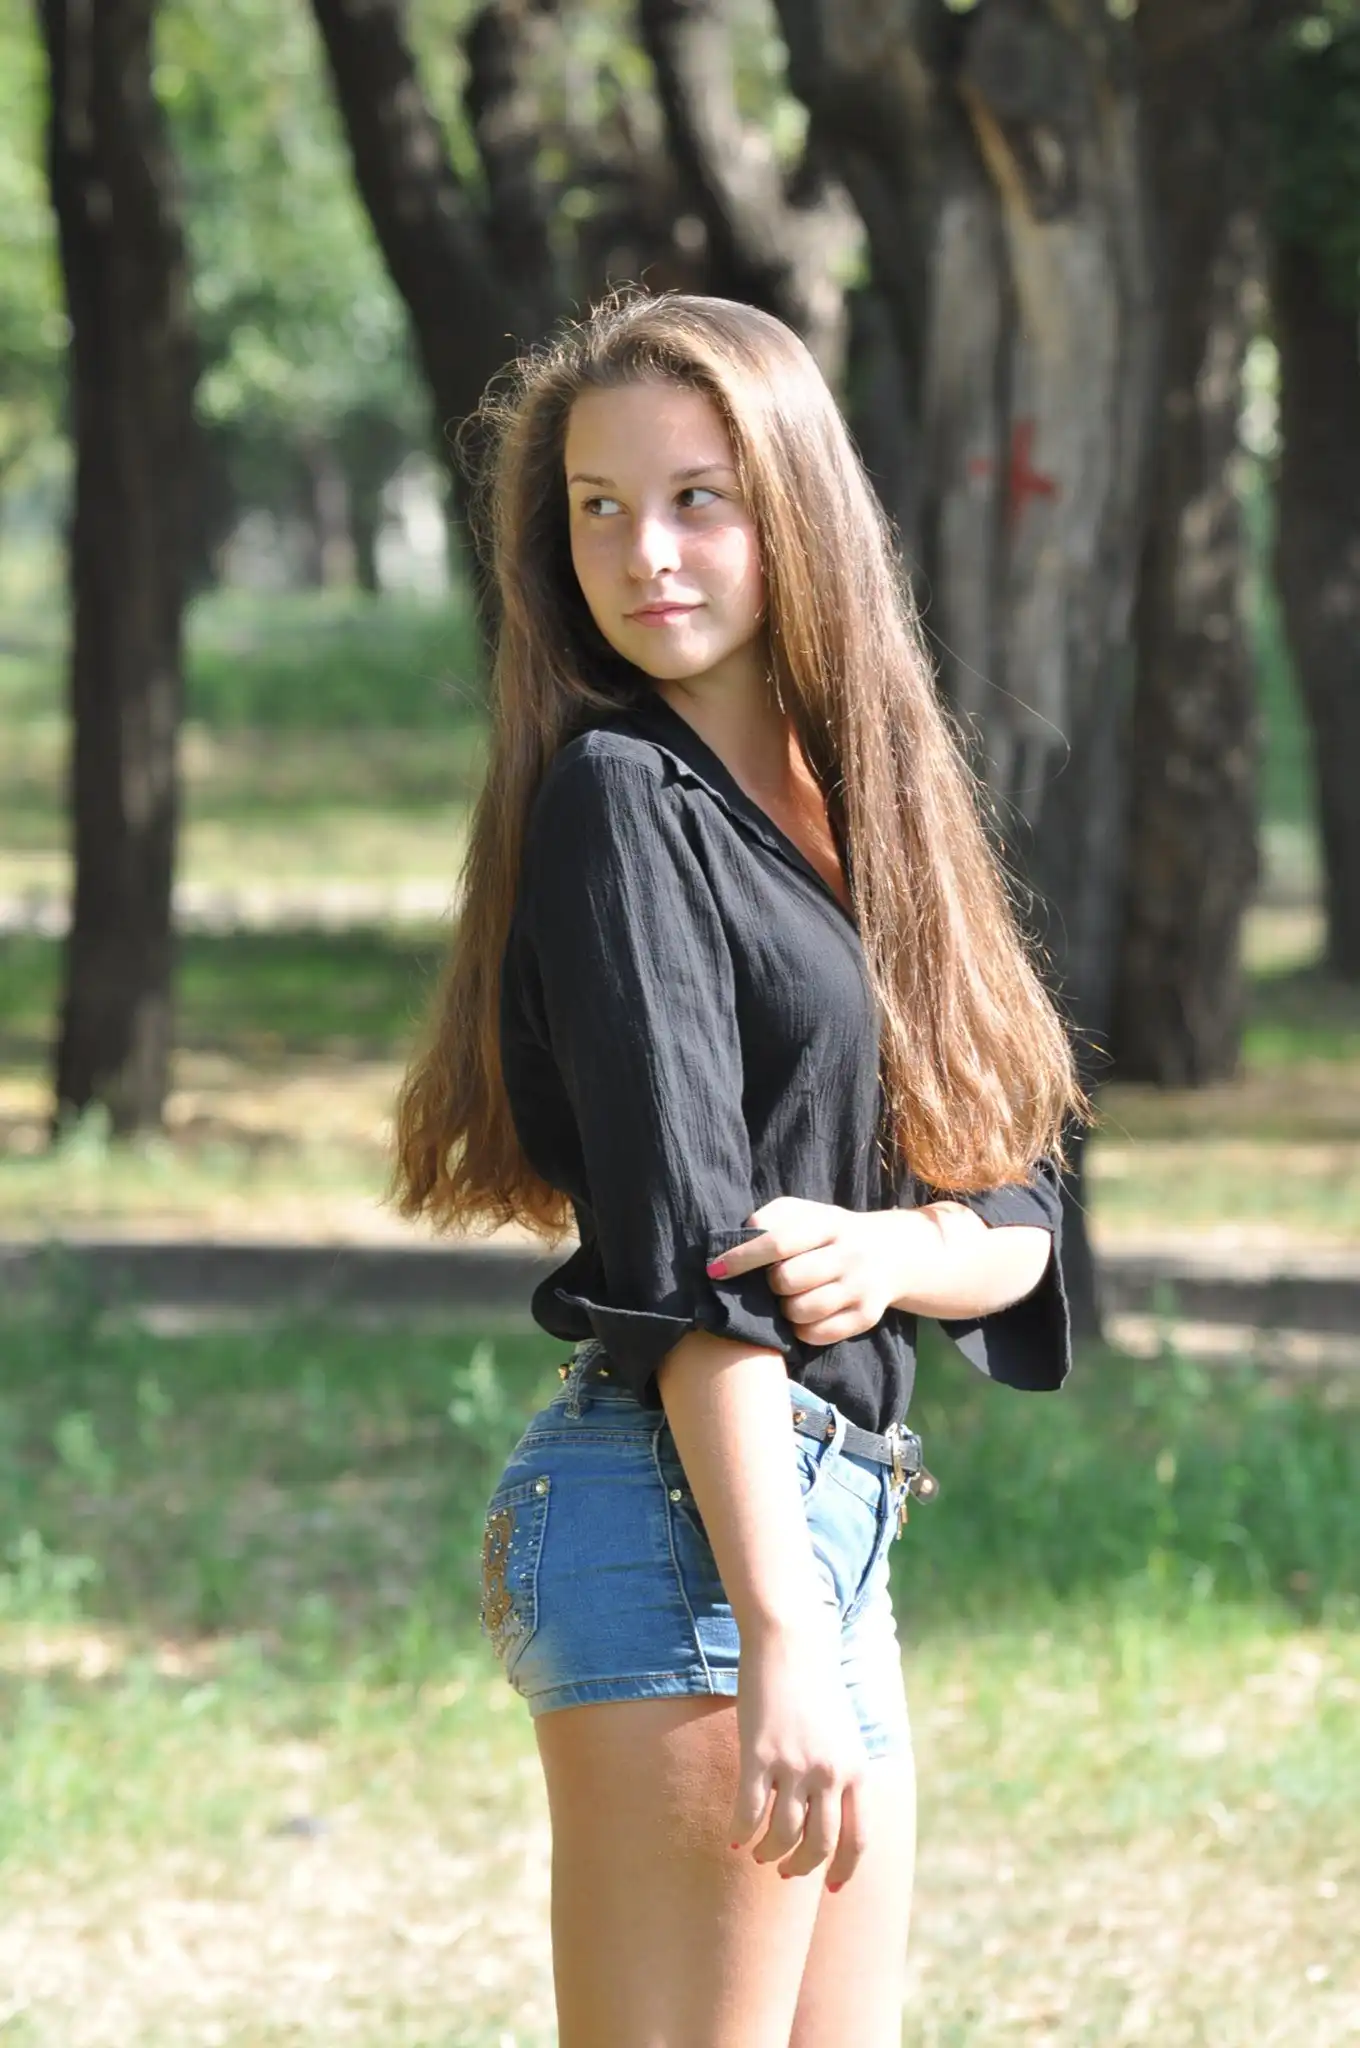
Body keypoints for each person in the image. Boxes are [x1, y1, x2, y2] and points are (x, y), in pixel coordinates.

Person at [393, 290, 1082, 2048]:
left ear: (796, 507)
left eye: (698, 499)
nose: (646, 553)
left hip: (832, 1530)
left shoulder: (873, 805)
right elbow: (693, 1263)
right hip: (692, 1530)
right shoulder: (620, 799)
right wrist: (779, 1628)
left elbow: (1021, 1210)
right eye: (599, 508)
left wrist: (894, 1253)